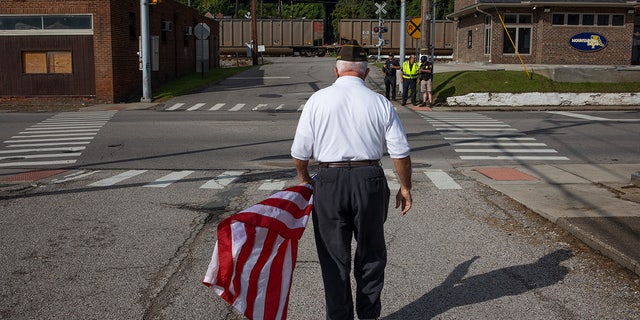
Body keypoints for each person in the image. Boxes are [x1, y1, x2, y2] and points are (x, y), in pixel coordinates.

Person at [291, 40, 413, 320]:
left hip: (329, 180)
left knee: (334, 258)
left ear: (336, 71)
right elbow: (400, 153)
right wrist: (405, 187)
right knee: (371, 253)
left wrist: (304, 178)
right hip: (369, 179)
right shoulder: (380, 102)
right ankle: (369, 315)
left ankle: (339, 316)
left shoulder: (317, 100)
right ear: (366, 72)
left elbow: (300, 151)